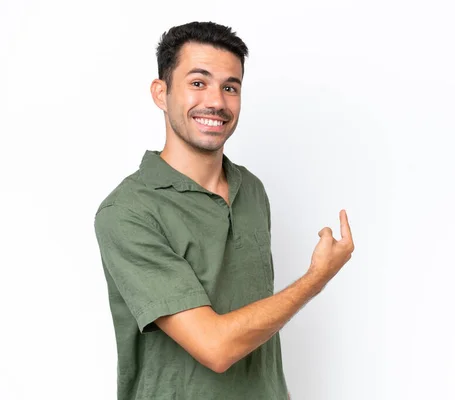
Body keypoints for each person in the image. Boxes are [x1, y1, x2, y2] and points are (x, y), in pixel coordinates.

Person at [93, 21, 355, 400]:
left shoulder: (251, 190)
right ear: (161, 93)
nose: (216, 101)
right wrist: (316, 278)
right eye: (198, 83)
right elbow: (216, 348)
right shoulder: (127, 212)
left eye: (230, 87)